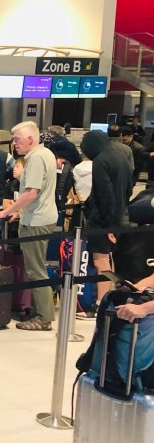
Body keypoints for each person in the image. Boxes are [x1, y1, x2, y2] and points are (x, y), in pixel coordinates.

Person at [0, 122, 58, 331]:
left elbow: (31, 193)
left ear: (30, 139)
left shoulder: (37, 158)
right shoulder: (44, 154)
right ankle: (40, 312)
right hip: (38, 217)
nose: (14, 144)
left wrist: (6, 211)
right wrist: (20, 212)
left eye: (17, 139)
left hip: (37, 221)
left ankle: (44, 317)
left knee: (36, 270)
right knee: (36, 268)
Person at [78, 130, 133, 315]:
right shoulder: (122, 156)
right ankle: (110, 297)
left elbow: (104, 193)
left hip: (103, 220)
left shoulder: (101, 160)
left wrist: (109, 223)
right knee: (110, 259)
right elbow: (128, 189)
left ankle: (100, 303)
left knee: (100, 260)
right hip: (121, 215)